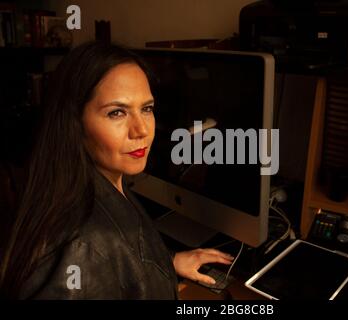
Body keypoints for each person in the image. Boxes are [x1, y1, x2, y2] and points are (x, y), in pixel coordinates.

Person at [0, 41, 234, 299]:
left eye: (146, 109)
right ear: (74, 123)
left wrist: (167, 263)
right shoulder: (78, 247)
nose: (141, 130)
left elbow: (120, 258)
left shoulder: (105, 180)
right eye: (117, 113)